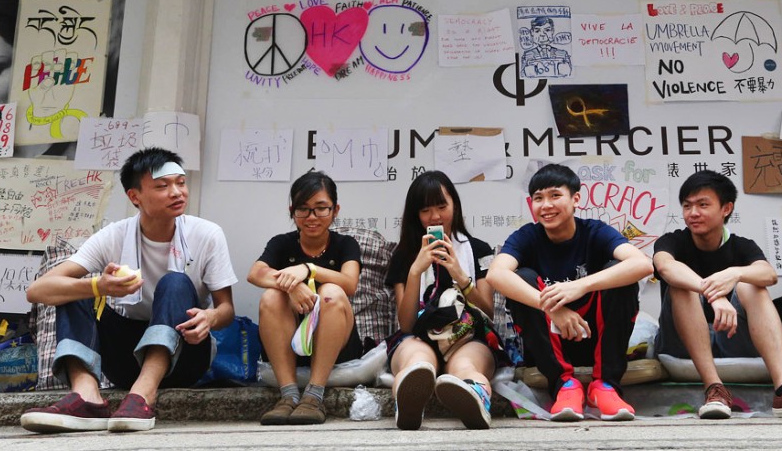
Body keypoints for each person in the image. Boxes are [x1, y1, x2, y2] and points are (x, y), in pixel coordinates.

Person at [21, 147, 237, 434]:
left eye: (180, 183)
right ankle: (87, 395)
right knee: (72, 289)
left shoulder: (206, 234)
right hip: (123, 358)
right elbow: (38, 290)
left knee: (175, 282)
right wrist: (98, 285)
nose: (177, 193)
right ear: (135, 197)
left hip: (185, 355)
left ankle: (143, 394)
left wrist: (209, 318)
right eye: (162, 186)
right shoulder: (115, 235)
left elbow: (227, 310)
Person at [653, 170, 782, 420]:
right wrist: (714, 295)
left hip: (732, 337)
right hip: (680, 344)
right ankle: (714, 389)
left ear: (726, 208)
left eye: (703, 205)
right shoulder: (673, 241)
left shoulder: (741, 245)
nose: (693, 213)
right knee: (680, 286)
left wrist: (734, 274)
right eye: (687, 206)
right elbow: (665, 266)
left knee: (751, 284)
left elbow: (768, 274)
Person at [487, 163, 652, 422]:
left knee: (619, 272)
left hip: (596, 340)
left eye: (555, 195)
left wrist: (581, 285)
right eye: (538, 199)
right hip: (549, 346)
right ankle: (564, 385)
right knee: (523, 278)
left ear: (575, 198)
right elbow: (496, 274)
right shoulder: (527, 236)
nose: (546, 205)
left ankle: (605, 386)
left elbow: (642, 264)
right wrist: (552, 308)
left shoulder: (594, 231)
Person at [385, 171, 502, 430]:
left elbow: (488, 312)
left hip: (467, 334)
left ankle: (476, 398)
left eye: (442, 206)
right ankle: (406, 405)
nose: (435, 216)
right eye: (426, 210)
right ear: (416, 215)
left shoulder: (478, 249)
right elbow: (405, 324)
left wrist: (460, 274)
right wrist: (415, 271)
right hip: (418, 336)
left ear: (455, 206)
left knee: (465, 366)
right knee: (417, 364)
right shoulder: (404, 254)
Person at [247, 171, 362, 425]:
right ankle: (287, 396)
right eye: (304, 209)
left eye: (321, 209)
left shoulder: (345, 244)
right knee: (271, 297)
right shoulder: (282, 243)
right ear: (292, 211)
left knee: (331, 293)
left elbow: (350, 283)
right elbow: (255, 274)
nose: (312, 217)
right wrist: (291, 286)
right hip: (289, 347)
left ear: (335, 210)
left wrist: (309, 270)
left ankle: (313, 397)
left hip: (336, 346)